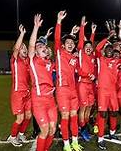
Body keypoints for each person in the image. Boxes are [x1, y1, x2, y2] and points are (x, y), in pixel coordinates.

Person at [95, 32, 121, 150]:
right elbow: (98, 48)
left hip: (112, 91)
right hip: (102, 91)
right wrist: (107, 39)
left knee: (114, 112)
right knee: (102, 114)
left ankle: (112, 133)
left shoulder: (117, 61)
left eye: (111, 49)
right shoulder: (100, 59)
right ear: (105, 51)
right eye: (107, 49)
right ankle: (100, 138)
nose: (109, 50)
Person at [54, 10, 83, 151]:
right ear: (63, 45)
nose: (71, 44)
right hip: (62, 90)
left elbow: (78, 70)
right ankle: (66, 144)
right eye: (68, 42)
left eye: (72, 42)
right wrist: (59, 21)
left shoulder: (74, 57)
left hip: (73, 90)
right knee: (65, 116)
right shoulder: (59, 53)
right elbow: (57, 38)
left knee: (74, 116)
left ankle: (75, 142)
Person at [28, 14, 57, 151]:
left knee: (52, 130)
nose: (42, 47)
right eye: (39, 46)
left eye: (43, 46)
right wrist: (36, 27)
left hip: (51, 100)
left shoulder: (49, 63)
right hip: (39, 100)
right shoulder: (33, 61)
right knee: (44, 130)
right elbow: (32, 45)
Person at [7, 24, 31, 147]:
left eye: (25, 47)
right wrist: (22, 34)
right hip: (17, 93)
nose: (24, 49)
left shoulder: (27, 61)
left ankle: (21, 133)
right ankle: (12, 137)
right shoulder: (15, 60)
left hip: (27, 92)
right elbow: (16, 49)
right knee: (20, 118)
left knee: (28, 115)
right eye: (22, 47)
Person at [77, 16, 97, 141]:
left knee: (90, 106)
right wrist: (82, 27)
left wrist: (93, 33)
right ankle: (82, 129)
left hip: (91, 85)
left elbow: (91, 43)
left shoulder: (92, 56)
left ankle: (84, 125)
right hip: (83, 84)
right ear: (83, 48)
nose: (88, 47)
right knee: (83, 108)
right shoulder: (81, 53)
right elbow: (81, 41)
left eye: (90, 46)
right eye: (86, 46)